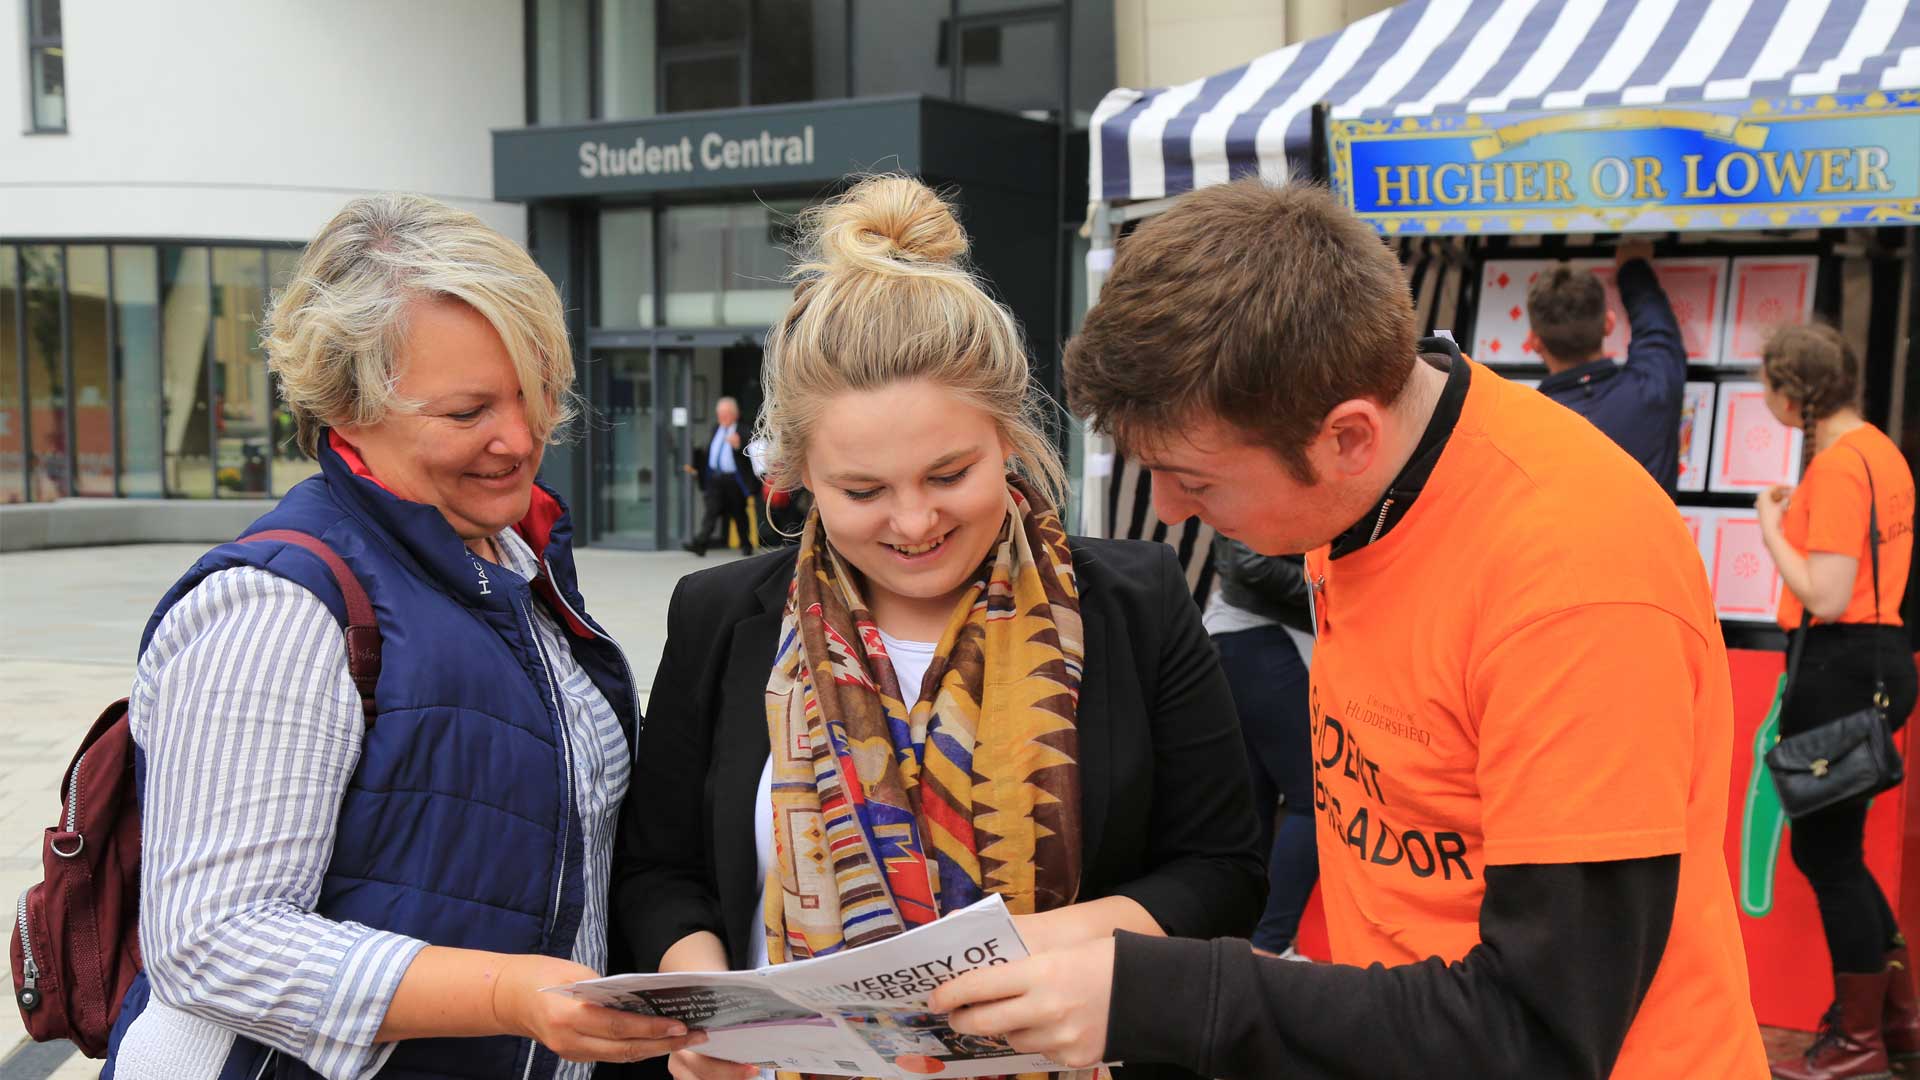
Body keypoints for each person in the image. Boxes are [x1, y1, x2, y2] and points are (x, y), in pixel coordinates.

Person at [930, 179, 1766, 1079]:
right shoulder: (1375, 482)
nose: (1170, 509)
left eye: (1198, 481)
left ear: (1348, 438)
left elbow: (1539, 1032)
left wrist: (1162, 999)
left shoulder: (1573, 589)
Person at [611, 175, 1266, 1080]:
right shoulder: (723, 617)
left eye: (949, 473)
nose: (912, 523)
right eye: (862, 491)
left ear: (1011, 438)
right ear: (800, 474)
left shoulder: (1133, 602)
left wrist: (1003, 956)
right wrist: (707, 1011)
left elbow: (1223, 870)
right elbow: (659, 872)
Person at [102, 194, 699, 1079]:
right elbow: (212, 941)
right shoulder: (278, 609)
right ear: (345, 406)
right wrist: (507, 996)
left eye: (535, 396)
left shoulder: (512, 563)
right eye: (468, 413)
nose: (520, 438)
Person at [1755, 324, 1920, 1080]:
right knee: (1837, 854)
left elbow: (1823, 589)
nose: (1767, 401)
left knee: (1827, 854)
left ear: (1797, 395)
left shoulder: (1840, 468)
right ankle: (1894, 1021)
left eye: (1770, 388)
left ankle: (1859, 1044)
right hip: (1877, 663)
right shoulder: (1880, 452)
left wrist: (1768, 527)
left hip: (1840, 665)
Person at [1206, 535, 1317, 957]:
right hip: (1261, 637)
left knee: (1256, 799)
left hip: (1246, 636)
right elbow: (1248, 563)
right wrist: (1334, 584)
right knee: (1316, 800)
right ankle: (1268, 945)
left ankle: (1246, 944)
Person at [1529, 239, 1687, 491]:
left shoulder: (1525, 424)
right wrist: (1632, 267)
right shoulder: (1652, 389)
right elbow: (1656, 327)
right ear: (1609, 324)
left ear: (1534, 342)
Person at [684, 396, 756, 557]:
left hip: (734, 480)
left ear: (735, 414)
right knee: (711, 511)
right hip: (716, 479)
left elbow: (753, 453)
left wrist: (739, 446)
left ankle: (746, 545)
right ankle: (701, 544)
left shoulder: (743, 430)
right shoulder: (716, 428)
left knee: (739, 514)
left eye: (726, 414)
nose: (722, 417)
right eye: (720, 414)